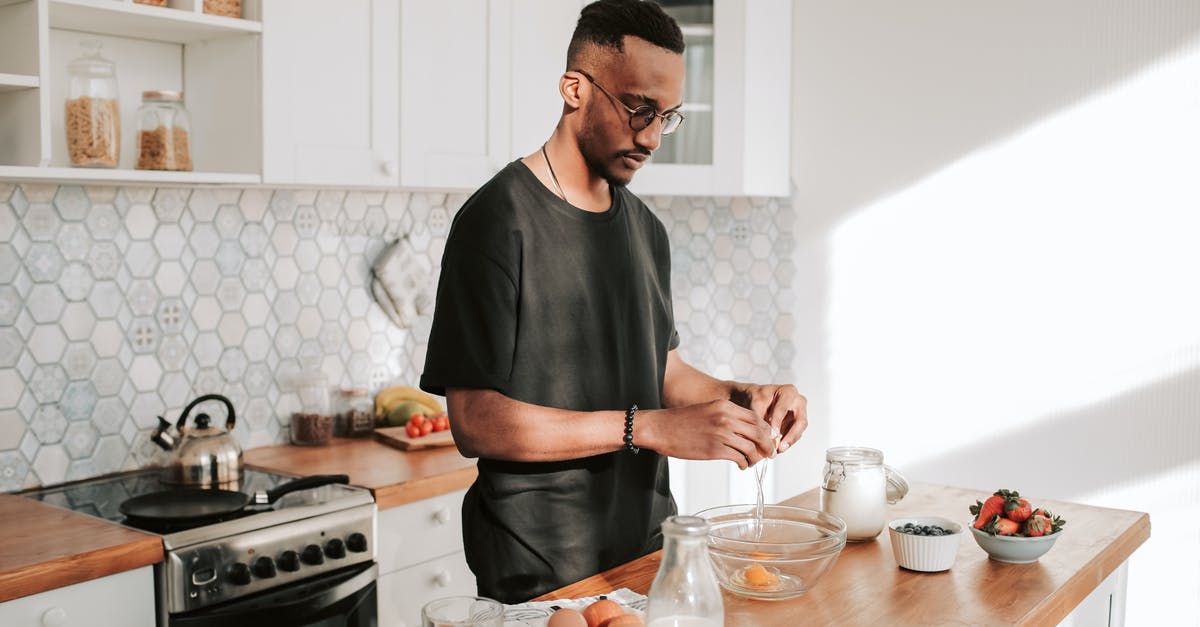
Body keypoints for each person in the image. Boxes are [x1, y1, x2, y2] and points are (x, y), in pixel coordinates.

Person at [420, 0, 807, 603]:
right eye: (638, 109)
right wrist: (648, 428)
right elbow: (476, 422)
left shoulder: (646, 229)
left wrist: (743, 398)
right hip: (540, 570)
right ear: (574, 88)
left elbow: (662, 370)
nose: (652, 137)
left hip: (650, 553)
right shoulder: (496, 222)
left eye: (667, 116)